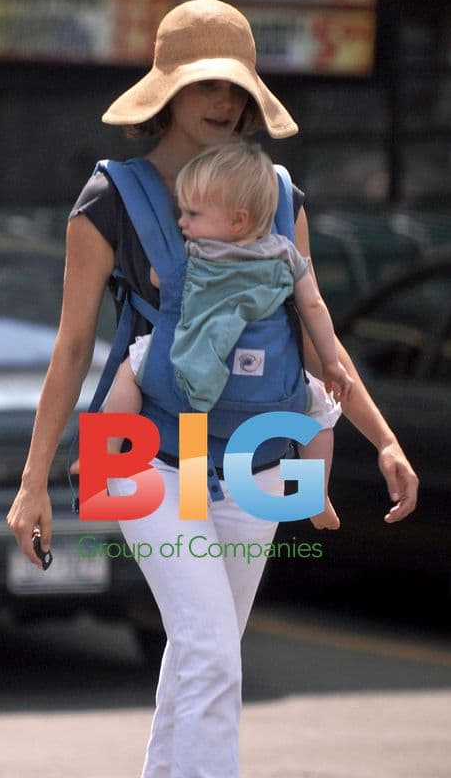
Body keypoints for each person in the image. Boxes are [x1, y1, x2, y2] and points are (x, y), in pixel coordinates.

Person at [7, 0, 418, 778]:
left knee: (193, 673)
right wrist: (35, 482)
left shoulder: (279, 195)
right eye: (204, 83)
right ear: (169, 90)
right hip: (138, 456)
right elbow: (72, 350)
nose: (223, 100)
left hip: (256, 458)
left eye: (236, 83)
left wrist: (381, 439)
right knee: (209, 654)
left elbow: (319, 345)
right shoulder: (107, 197)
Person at [102, 139, 354, 529]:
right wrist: (333, 363)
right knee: (320, 413)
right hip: (269, 391)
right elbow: (313, 308)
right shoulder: (285, 255)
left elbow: (157, 281)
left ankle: (104, 455)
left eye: (192, 214)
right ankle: (315, 495)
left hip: (191, 383)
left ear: (237, 220)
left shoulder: (196, 255)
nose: (183, 222)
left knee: (129, 370)